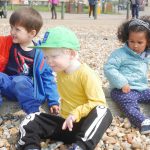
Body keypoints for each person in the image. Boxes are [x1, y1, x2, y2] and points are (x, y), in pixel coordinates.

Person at [16, 26, 113, 150]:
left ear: (71, 54)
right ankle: (30, 147)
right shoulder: (61, 72)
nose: (49, 61)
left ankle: (81, 146)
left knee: (103, 111)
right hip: (66, 124)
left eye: (54, 56)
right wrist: (55, 104)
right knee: (31, 118)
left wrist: (75, 114)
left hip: (84, 126)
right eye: (46, 57)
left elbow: (98, 102)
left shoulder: (86, 74)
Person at [0, 7, 59, 114]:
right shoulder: (9, 44)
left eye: (17, 29)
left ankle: (33, 113)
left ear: (32, 33)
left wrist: (53, 101)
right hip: (8, 84)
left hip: (26, 87)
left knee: (20, 80)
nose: (12, 32)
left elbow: (47, 78)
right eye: (11, 27)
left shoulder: (40, 54)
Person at [104, 16, 150, 134]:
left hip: (142, 89)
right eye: (132, 41)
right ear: (126, 39)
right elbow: (109, 68)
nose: (135, 45)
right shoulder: (120, 54)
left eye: (140, 42)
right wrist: (122, 82)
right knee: (128, 103)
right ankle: (143, 122)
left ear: (148, 42)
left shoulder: (146, 55)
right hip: (124, 90)